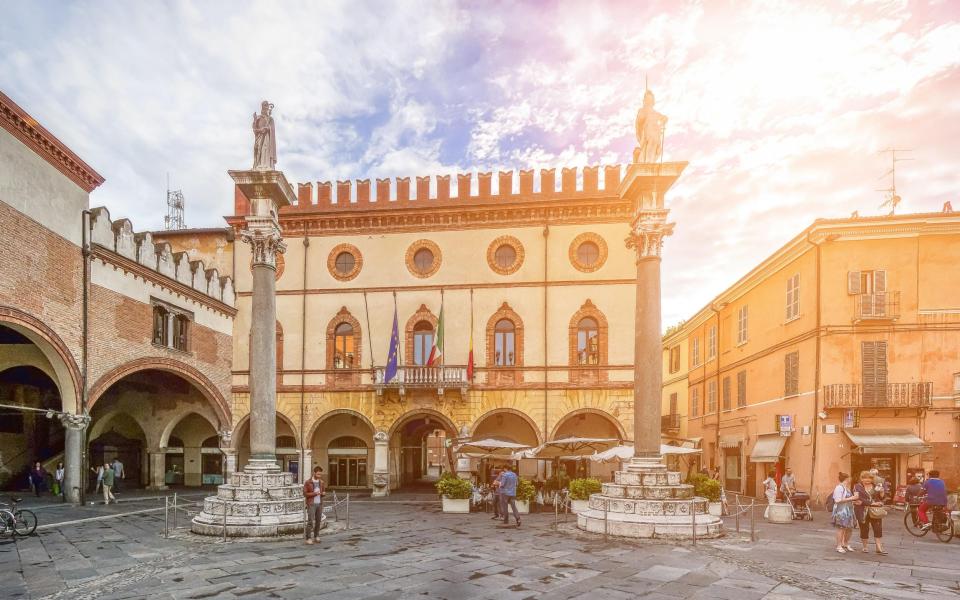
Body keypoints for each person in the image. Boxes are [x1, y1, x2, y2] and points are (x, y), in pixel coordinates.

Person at [853, 471, 887, 555]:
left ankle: (878, 547)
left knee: (877, 528)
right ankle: (865, 547)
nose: (867, 480)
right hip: (862, 511)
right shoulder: (857, 487)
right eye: (865, 478)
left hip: (875, 511)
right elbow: (858, 499)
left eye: (869, 479)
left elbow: (881, 498)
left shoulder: (876, 486)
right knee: (864, 528)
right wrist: (872, 503)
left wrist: (882, 493)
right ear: (861, 479)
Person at [831, 472, 858, 553]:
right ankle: (839, 545)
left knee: (849, 528)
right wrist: (852, 498)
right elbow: (837, 500)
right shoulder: (839, 488)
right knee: (841, 528)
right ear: (847, 479)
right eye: (850, 478)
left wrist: (854, 501)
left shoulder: (846, 488)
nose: (851, 479)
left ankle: (845, 543)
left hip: (848, 510)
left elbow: (847, 499)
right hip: (841, 511)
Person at [303, 465, 325, 545]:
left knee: (318, 521)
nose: (319, 476)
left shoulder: (321, 482)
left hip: (319, 503)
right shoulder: (308, 482)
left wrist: (323, 494)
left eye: (320, 474)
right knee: (310, 521)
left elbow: (323, 492)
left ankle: (316, 536)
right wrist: (314, 493)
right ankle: (308, 538)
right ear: (314, 473)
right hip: (311, 504)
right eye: (318, 474)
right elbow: (305, 494)